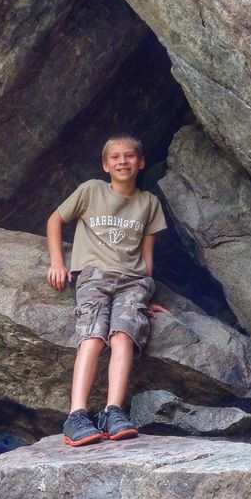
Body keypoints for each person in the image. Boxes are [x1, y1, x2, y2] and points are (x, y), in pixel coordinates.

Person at [46, 134, 167, 445]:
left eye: (129, 156)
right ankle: (76, 415)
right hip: (95, 276)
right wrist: (58, 263)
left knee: (123, 335)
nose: (122, 161)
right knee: (94, 336)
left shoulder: (149, 203)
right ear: (105, 165)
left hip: (133, 281)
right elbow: (55, 220)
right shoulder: (91, 190)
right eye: (115, 157)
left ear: (140, 162)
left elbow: (147, 253)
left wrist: (147, 296)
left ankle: (113, 411)